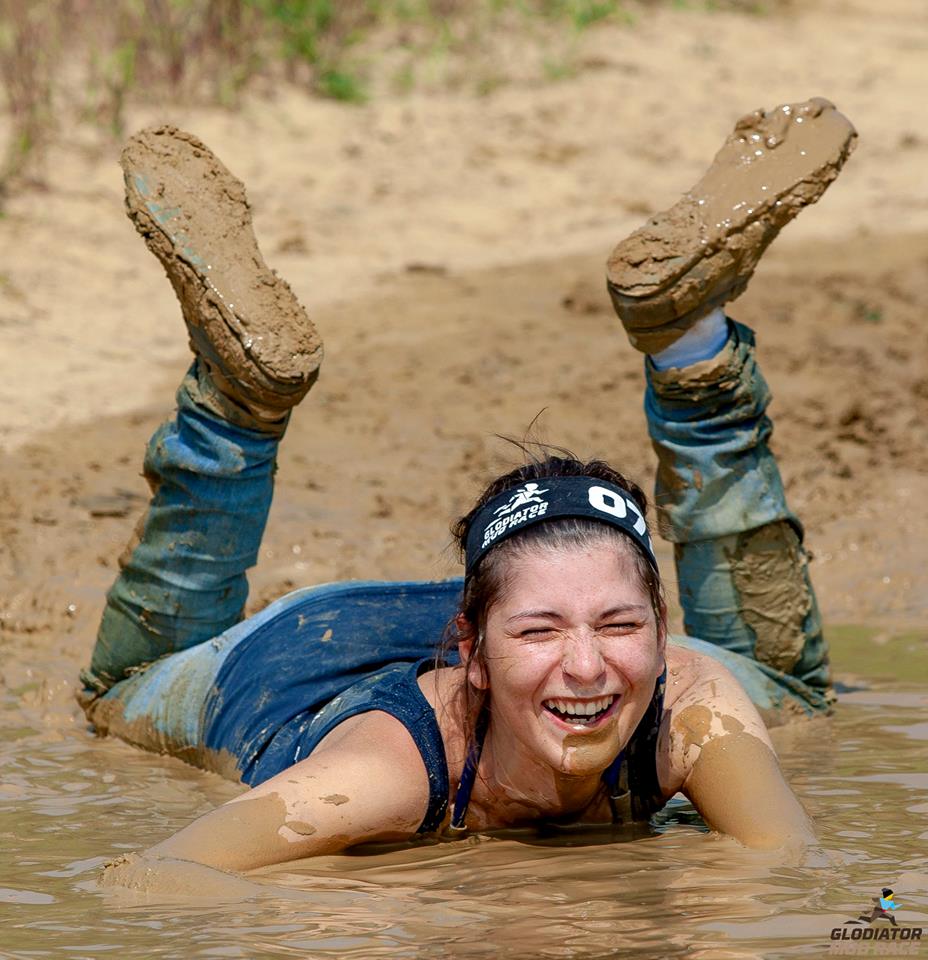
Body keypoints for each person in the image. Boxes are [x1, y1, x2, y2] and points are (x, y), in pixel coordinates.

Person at [80, 97, 857, 876]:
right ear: (470, 652)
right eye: (541, 635)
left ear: (663, 628)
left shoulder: (687, 695)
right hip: (299, 656)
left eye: (621, 627)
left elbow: (788, 872)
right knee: (118, 690)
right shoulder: (383, 773)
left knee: (771, 688)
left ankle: (694, 346)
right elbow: (158, 878)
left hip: (523, 594)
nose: (587, 667)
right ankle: (232, 410)